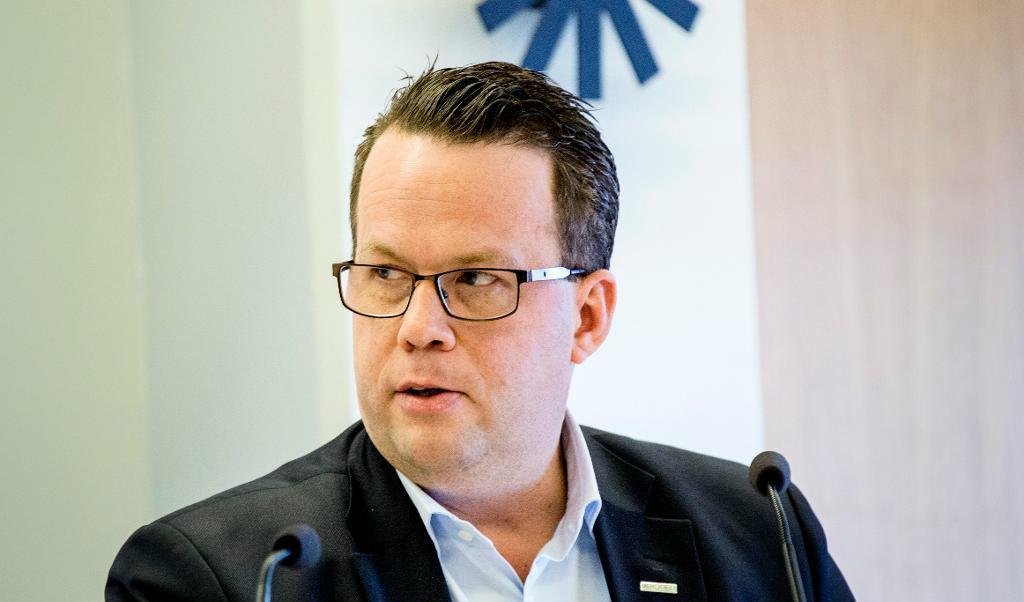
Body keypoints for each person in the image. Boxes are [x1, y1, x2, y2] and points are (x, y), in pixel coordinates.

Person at [107, 61, 853, 601]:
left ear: (587, 316)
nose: (418, 328)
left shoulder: (759, 533)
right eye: (386, 273)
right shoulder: (224, 577)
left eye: (475, 279)